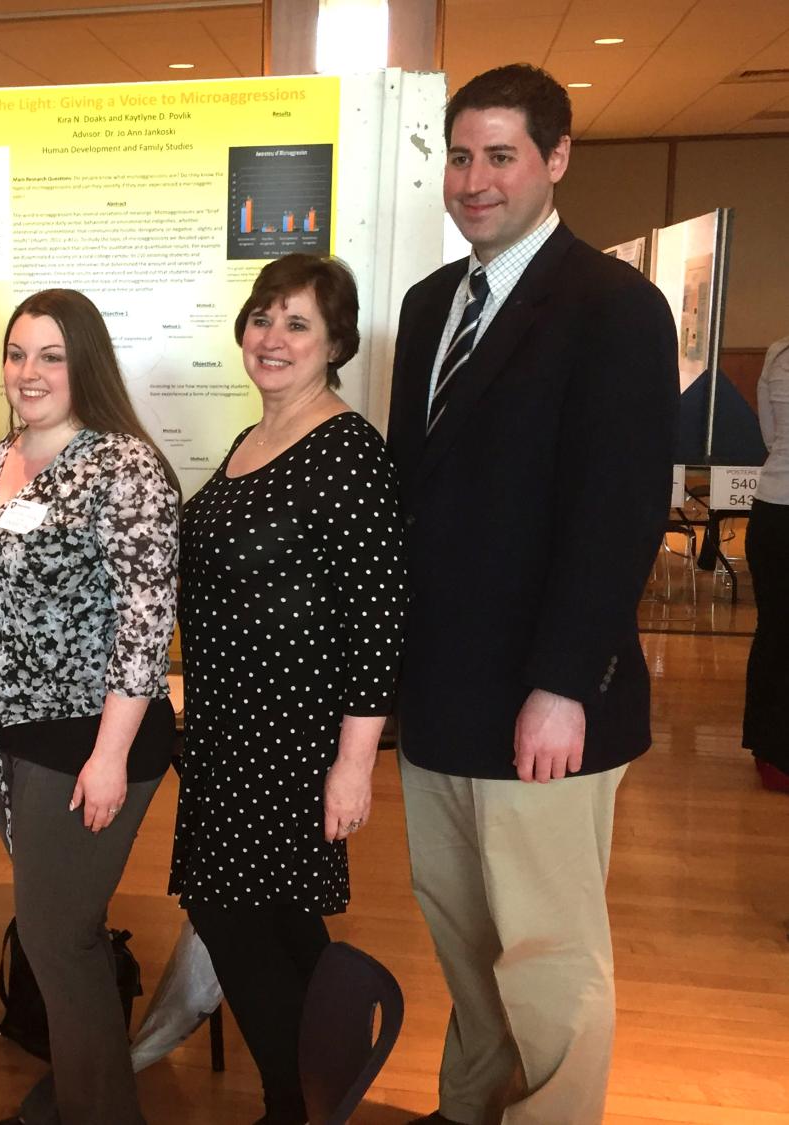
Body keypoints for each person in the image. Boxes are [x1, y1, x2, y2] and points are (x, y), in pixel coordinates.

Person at [385, 65, 677, 1125]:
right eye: (461, 157)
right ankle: (472, 1108)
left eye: (500, 155)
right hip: (441, 698)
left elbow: (620, 514)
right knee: (463, 937)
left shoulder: (613, 306)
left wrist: (563, 686)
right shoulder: (429, 306)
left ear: (555, 160)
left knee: (548, 953)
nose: (474, 180)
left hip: (541, 705)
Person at [169, 254, 406, 1125]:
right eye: (263, 317)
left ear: (334, 343)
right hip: (229, 729)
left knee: (233, 918)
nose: (272, 337)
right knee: (280, 926)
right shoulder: (253, 437)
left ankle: (291, 1103)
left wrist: (355, 765)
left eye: (297, 323)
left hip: (292, 738)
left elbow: (377, 622)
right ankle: (325, 1090)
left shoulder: (347, 449)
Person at [0, 289, 179, 1125]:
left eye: (51, 355)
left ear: (85, 362)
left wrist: (109, 755)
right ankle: (82, 1088)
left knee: (58, 936)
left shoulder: (123, 466)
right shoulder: (0, 457)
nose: (29, 371)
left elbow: (147, 619)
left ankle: (100, 1110)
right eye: (17, 353)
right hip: (13, 734)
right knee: (55, 923)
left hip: (90, 739)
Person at [745, 335, 789, 792]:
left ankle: (770, 754)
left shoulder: (777, 352)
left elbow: (771, 436)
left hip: (773, 509)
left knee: (774, 630)